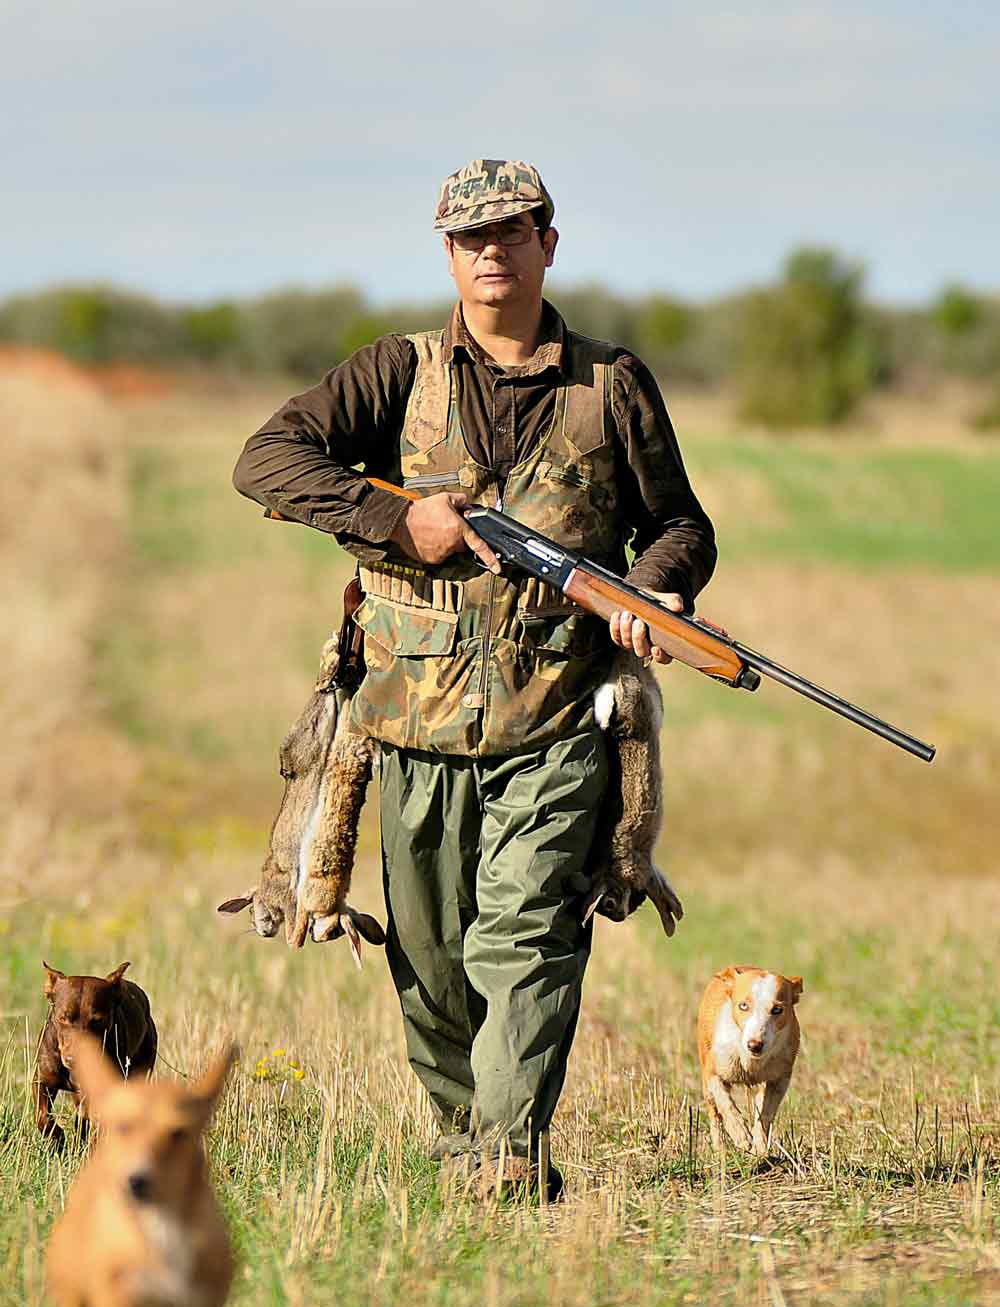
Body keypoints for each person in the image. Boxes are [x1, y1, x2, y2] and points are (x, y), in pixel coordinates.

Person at [233, 158, 717, 1199]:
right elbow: (266, 461)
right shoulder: (393, 372)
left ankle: (506, 1155)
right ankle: (465, 1141)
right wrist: (396, 518)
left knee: (525, 935)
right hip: (408, 725)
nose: (489, 250)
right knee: (433, 960)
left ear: (549, 242)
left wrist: (649, 589)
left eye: (509, 231)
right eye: (468, 237)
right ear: (446, 255)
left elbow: (679, 523)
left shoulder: (610, 381)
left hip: (556, 719)